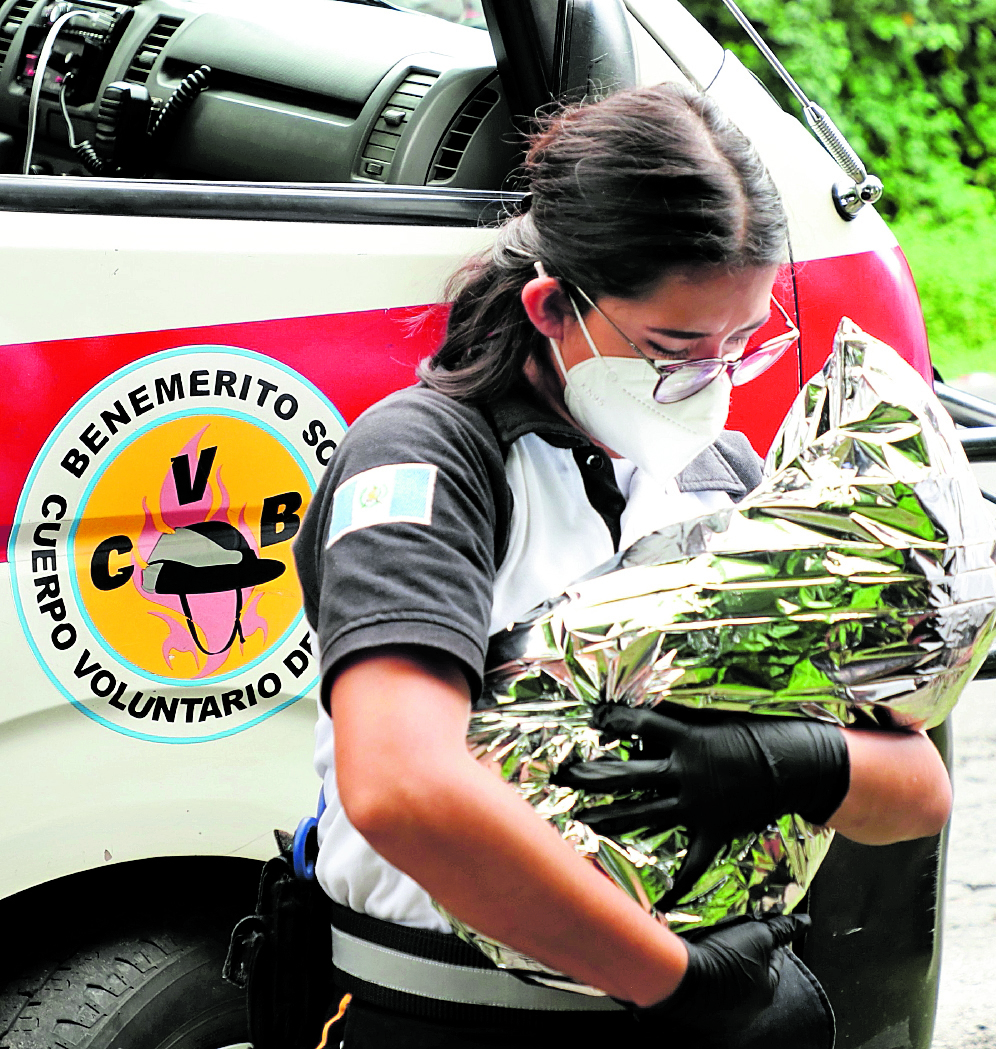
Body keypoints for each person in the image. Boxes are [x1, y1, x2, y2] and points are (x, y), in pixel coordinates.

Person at [292, 82, 953, 1048]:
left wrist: (790, 760)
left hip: (704, 996)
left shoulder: (714, 476)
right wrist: (674, 982)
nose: (710, 382)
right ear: (554, 305)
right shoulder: (429, 461)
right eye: (674, 346)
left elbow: (916, 795)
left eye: (740, 343)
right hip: (466, 1012)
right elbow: (403, 787)